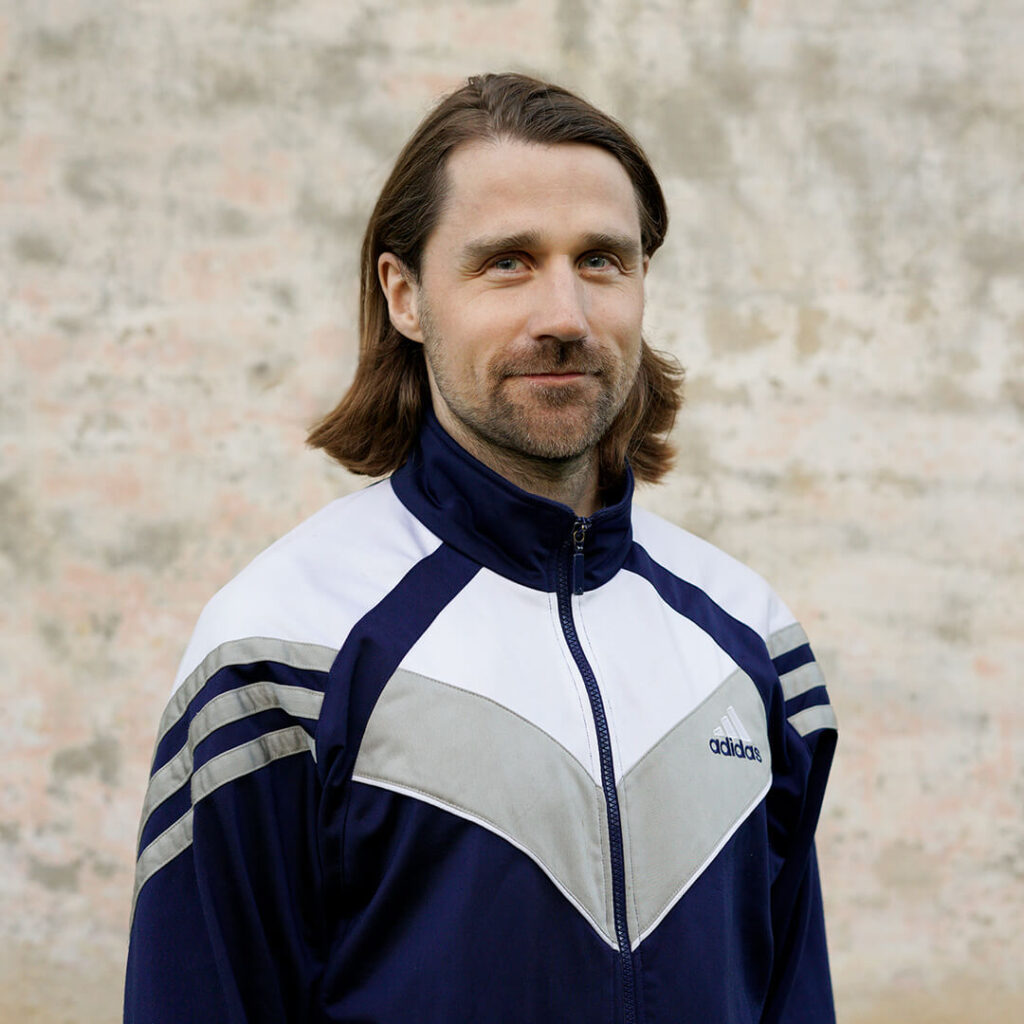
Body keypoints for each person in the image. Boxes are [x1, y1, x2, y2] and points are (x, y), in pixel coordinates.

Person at [124, 73, 837, 1023]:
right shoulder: (281, 647)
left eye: (600, 261)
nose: (565, 316)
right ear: (406, 295)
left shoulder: (753, 641)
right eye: (507, 262)